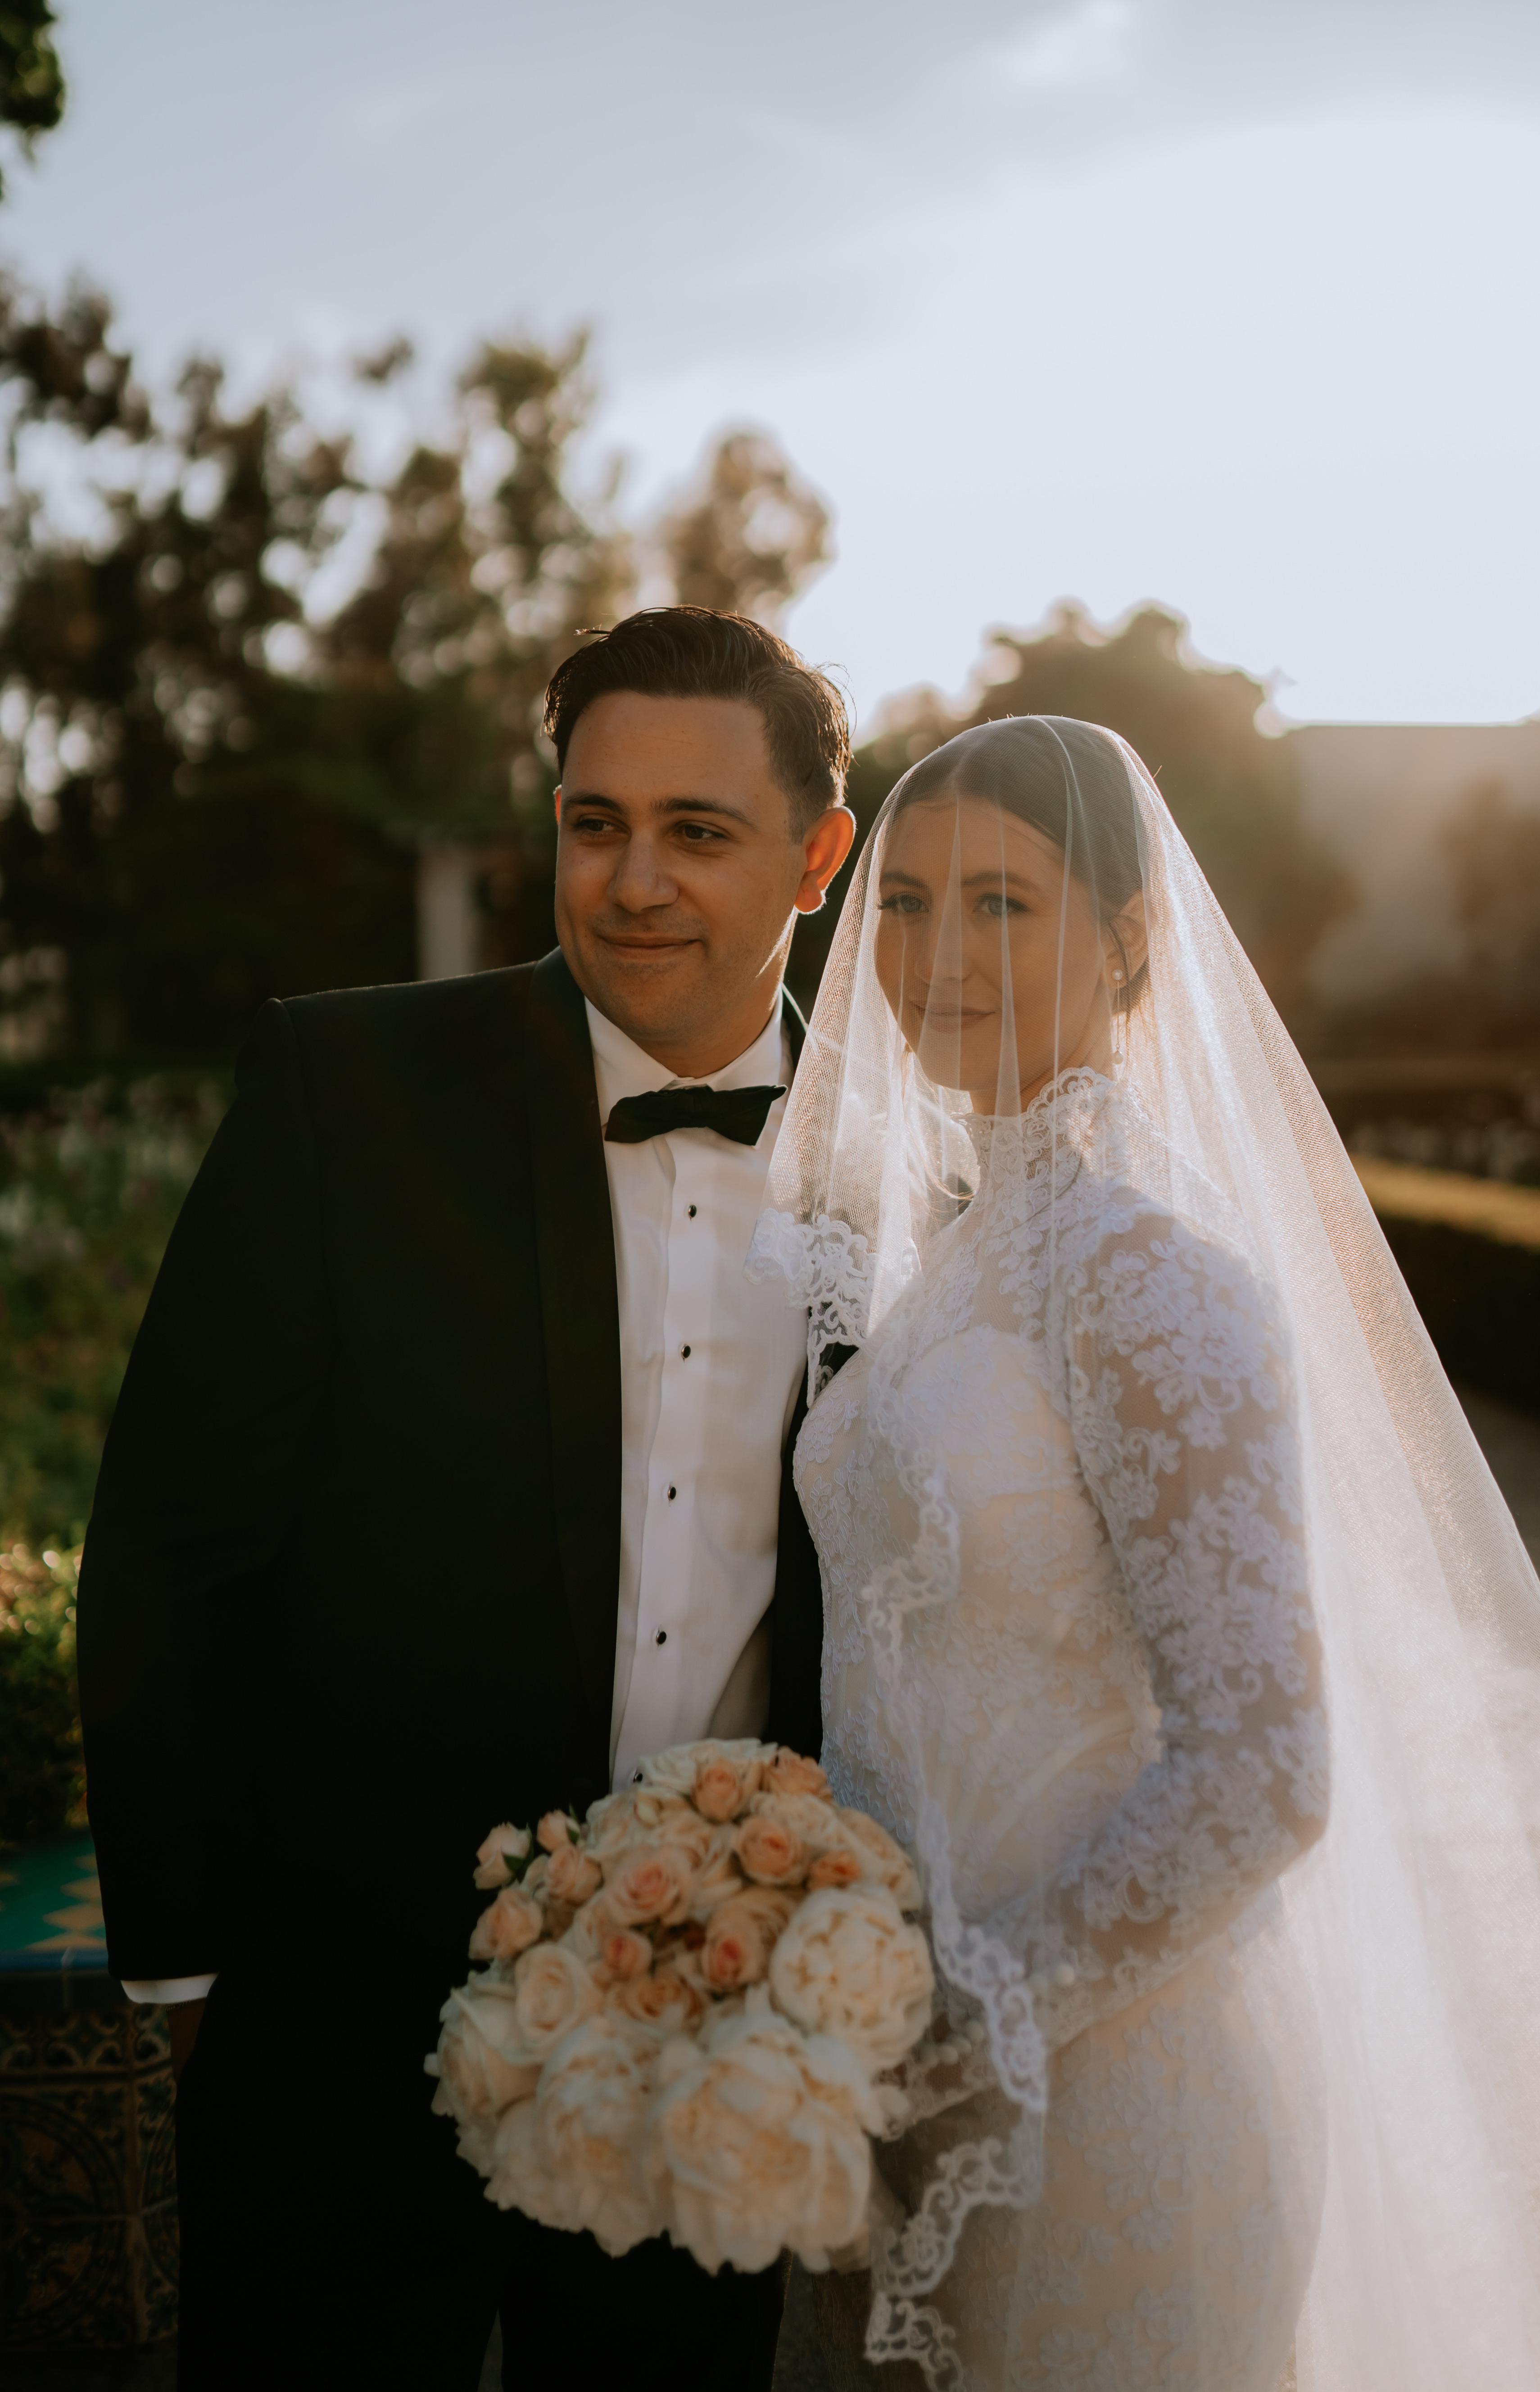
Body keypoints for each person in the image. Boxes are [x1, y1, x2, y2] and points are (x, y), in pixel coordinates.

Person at [749, 716, 1540, 2390]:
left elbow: (1263, 1772)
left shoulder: (1148, 1277)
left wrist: (936, 2041)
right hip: (901, 2087)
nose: (935, 953)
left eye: (1002, 903)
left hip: (1122, 2100)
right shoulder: (955, 1258)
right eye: (905, 903)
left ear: (1130, 944)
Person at [75, 606, 856, 2392]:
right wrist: (186, 1969)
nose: (633, 881)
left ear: (818, 856)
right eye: (595, 822)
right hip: (338, 2016)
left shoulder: (911, 1173)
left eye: (698, 830)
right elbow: (179, 1537)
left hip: (716, 2026)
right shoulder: (345, 1084)